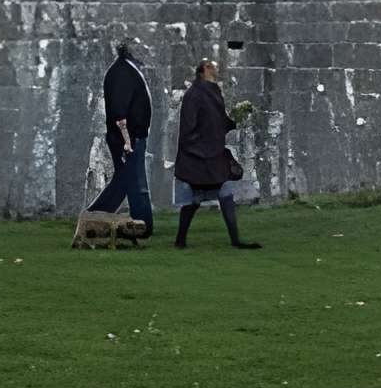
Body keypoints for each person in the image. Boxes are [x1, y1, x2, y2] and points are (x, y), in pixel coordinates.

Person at [170, 58, 259, 249]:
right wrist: (203, 148)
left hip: (212, 156)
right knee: (196, 199)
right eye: (212, 66)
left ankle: (234, 240)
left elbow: (218, 122)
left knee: (222, 193)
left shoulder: (213, 91)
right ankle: (180, 240)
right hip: (200, 158)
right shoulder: (194, 94)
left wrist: (234, 119)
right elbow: (188, 129)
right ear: (204, 70)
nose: (217, 69)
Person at [87, 40, 154, 237]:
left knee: (125, 181)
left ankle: (94, 218)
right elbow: (119, 112)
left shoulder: (125, 70)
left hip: (132, 137)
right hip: (128, 138)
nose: (145, 51)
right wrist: (127, 141)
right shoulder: (122, 72)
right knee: (134, 183)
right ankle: (142, 225)